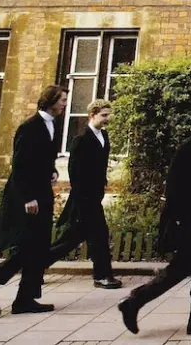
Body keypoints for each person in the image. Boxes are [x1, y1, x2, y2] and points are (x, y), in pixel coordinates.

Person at [118, 101, 191, 336]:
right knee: (183, 269)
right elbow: (176, 189)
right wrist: (182, 223)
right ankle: (135, 301)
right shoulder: (189, 148)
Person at [0, 86, 66, 316]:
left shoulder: (52, 125)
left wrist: (52, 170)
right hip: (27, 196)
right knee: (29, 246)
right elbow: (20, 165)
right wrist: (29, 198)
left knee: (38, 248)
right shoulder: (29, 127)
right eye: (63, 100)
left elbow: (42, 158)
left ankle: (24, 300)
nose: (66, 104)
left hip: (42, 193)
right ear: (51, 101)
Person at [46, 99, 121, 289]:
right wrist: (83, 198)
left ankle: (35, 268)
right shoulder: (81, 138)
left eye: (108, 115)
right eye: (104, 115)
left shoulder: (103, 136)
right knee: (99, 235)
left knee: (70, 239)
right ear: (92, 115)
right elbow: (74, 171)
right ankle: (102, 275)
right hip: (84, 198)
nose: (107, 119)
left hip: (94, 195)